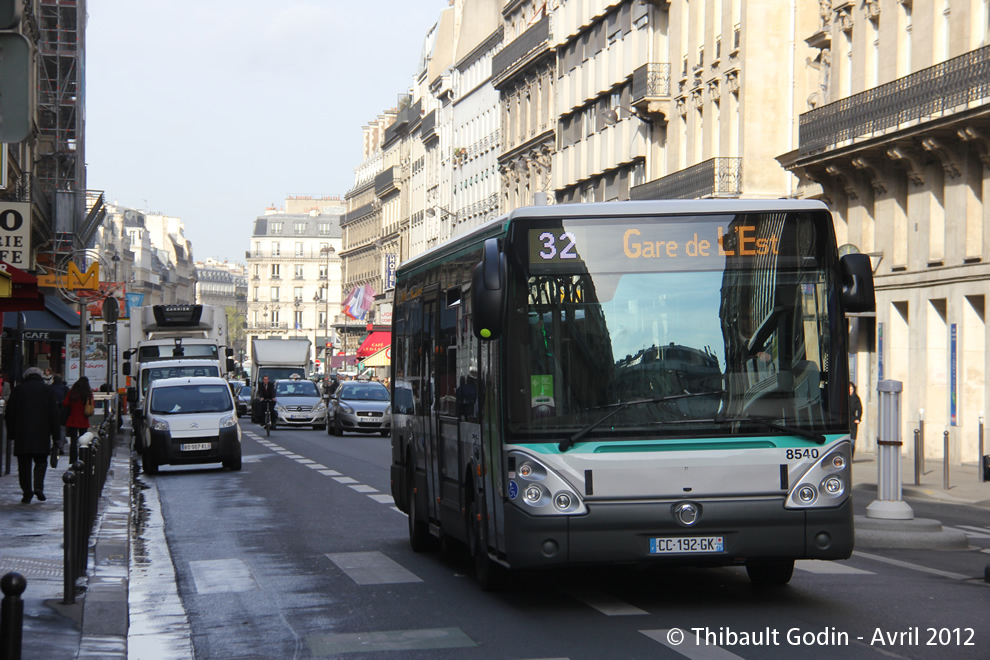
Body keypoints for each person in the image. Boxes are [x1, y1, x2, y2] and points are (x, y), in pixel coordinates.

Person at [5, 367, 60, 503]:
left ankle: (27, 492)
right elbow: (54, 415)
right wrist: (56, 435)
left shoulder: (18, 390)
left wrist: (11, 434)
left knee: (24, 465)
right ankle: (38, 486)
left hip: (22, 434)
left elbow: (9, 414)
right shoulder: (48, 390)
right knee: (41, 462)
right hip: (42, 433)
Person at [64, 376, 95, 465]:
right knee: (84, 440)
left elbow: (65, 403)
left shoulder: (72, 392)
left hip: (73, 419)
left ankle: (73, 460)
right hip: (83, 419)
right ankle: (83, 458)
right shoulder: (88, 394)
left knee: (73, 441)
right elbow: (92, 404)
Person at [50, 373, 70, 454]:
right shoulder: (65, 389)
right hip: (63, 412)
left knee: (52, 429)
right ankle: (61, 447)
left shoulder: (50, 388)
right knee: (61, 429)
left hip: (52, 411)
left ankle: (54, 443)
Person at [848, 382, 863, 457]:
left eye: (851, 389)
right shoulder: (843, 398)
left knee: (852, 442)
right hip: (845, 421)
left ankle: (851, 456)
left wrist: (858, 419)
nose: (850, 390)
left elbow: (859, 409)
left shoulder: (856, 398)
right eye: (849, 389)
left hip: (853, 421)